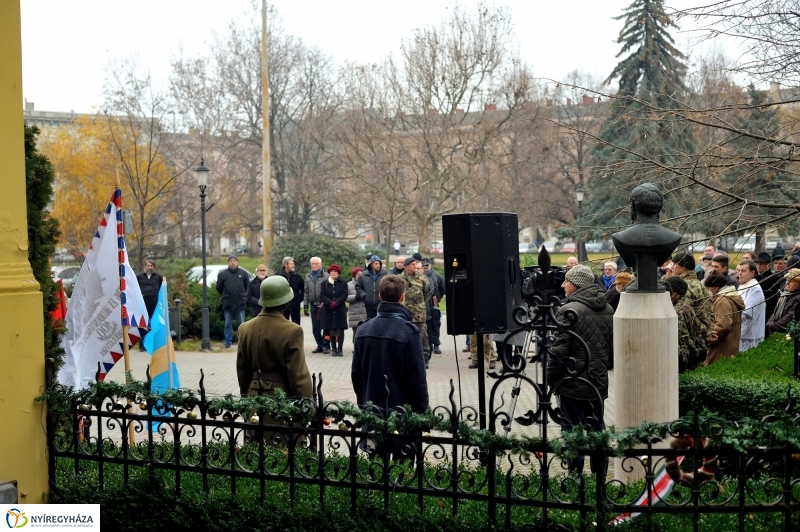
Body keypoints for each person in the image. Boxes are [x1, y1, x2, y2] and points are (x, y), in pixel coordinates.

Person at [351, 275, 429, 461]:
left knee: (376, 469)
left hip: (373, 412)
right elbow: (417, 379)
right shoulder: (409, 332)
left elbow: (357, 375)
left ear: (380, 296)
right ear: (402, 297)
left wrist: (364, 405)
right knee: (403, 473)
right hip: (402, 414)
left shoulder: (363, 330)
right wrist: (422, 413)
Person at [547, 264, 613, 478]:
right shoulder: (607, 308)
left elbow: (558, 351)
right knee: (597, 432)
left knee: (573, 434)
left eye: (566, 281)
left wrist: (551, 379)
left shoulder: (568, 310)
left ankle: (575, 479)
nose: (563, 284)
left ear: (575, 284)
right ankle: (600, 478)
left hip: (572, 383)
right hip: (597, 383)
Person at [236, 276, 312, 446]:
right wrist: (307, 406)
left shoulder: (244, 328)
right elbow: (298, 376)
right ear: (285, 303)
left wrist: (246, 399)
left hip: (253, 397)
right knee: (283, 458)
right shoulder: (292, 330)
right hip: (281, 400)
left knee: (254, 456)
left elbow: (242, 371)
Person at [663, 276, 707, 372]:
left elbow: (683, 338)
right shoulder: (687, 307)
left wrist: (684, 360)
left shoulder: (677, 312)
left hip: (686, 361)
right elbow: (699, 330)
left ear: (675, 293)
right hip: (694, 358)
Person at [671, 252, 714, 344]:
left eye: (675, 264)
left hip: (694, 336)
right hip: (704, 332)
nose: (672, 267)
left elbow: (684, 314)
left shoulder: (685, 287)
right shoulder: (698, 283)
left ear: (684, 267)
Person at [704, 270, 744, 366]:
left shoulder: (722, 301)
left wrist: (708, 337)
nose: (707, 290)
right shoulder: (728, 298)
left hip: (721, 350)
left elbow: (723, 325)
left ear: (716, 287)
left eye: (708, 287)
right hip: (728, 347)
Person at [399, 256, 432, 367]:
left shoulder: (422, 278)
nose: (415, 266)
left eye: (415, 264)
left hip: (419, 313)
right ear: (406, 266)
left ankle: (425, 357)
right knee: (405, 335)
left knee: (423, 335)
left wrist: (420, 304)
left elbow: (427, 293)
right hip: (405, 312)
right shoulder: (400, 279)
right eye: (412, 264)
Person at [216, 254, 249, 348]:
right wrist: (225, 295)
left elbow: (247, 287)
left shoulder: (243, 273)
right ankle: (227, 342)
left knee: (242, 324)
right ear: (228, 262)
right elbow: (219, 287)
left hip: (240, 303)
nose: (233, 262)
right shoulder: (222, 274)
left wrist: (243, 296)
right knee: (227, 324)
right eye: (231, 261)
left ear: (237, 262)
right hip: (228, 303)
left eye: (234, 260)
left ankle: (243, 343)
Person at [736, 259, 766, 352]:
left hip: (750, 335)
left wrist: (735, 334)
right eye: (739, 270)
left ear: (752, 272)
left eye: (743, 271)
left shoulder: (754, 289)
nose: (740, 273)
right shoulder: (742, 285)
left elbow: (748, 315)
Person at [320, 264, 348, 356]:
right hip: (328, 310)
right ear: (329, 273)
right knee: (331, 330)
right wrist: (329, 303)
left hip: (340, 309)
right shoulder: (324, 283)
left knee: (340, 330)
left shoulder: (343, 283)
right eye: (331, 271)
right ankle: (333, 349)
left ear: (338, 273)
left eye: (335, 271)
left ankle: (340, 349)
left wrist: (336, 303)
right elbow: (322, 295)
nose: (333, 273)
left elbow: (344, 295)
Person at [303, 256, 330, 353]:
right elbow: (306, 292)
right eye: (312, 264)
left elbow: (329, 291)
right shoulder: (308, 276)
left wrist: (325, 302)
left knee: (325, 327)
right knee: (315, 328)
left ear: (320, 265)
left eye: (316, 264)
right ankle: (320, 345)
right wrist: (305, 306)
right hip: (313, 305)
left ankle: (326, 346)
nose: (314, 266)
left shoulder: (326, 275)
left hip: (324, 304)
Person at [136, 259, 162, 350]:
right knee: (143, 323)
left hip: (154, 302)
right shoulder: (139, 276)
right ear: (145, 266)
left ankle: (153, 345)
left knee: (154, 322)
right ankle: (142, 345)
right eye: (148, 265)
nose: (149, 267)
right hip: (142, 302)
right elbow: (135, 288)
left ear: (154, 267)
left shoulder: (158, 277)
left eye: (151, 266)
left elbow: (162, 289)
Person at [766, 268, 800, 334]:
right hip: (777, 330)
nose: (787, 283)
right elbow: (775, 312)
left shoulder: (798, 298)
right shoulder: (785, 295)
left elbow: (789, 317)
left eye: (791, 281)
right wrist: (769, 323)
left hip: (788, 334)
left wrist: (772, 326)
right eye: (787, 280)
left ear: (798, 284)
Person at [755, 252, 780, 335]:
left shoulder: (774, 278)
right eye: (758, 263)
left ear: (768, 265)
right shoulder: (755, 278)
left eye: (762, 263)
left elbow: (770, 295)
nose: (759, 266)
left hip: (768, 311)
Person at [422, 258, 444, 354]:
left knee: (435, 324)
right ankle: (428, 345)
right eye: (424, 265)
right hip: (424, 305)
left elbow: (442, 288)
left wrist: (437, 299)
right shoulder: (420, 276)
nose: (426, 267)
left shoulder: (437, 276)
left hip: (434, 303)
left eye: (427, 265)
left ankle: (436, 344)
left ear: (430, 265)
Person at [356, 255, 388, 319]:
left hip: (382, 304)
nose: (378, 265)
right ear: (371, 264)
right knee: (370, 323)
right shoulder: (363, 275)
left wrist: (386, 297)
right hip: (369, 305)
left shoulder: (386, 274)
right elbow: (358, 287)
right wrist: (364, 296)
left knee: (381, 322)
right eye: (375, 263)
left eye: (379, 263)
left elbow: (390, 286)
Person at [277, 256, 304, 325]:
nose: (293, 265)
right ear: (285, 265)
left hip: (295, 307)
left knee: (296, 328)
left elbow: (304, 289)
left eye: (293, 264)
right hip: (283, 309)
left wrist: (299, 299)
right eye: (291, 264)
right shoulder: (278, 277)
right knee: (284, 329)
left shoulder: (297, 276)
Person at [347, 267, 366, 354]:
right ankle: (356, 348)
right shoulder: (349, 285)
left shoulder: (366, 284)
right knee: (356, 331)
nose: (360, 276)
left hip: (365, 310)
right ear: (354, 275)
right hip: (354, 311)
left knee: (364, 331)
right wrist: (355, 297)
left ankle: (363, 348)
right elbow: (346, 298)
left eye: (361, 274)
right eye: (358, 274)